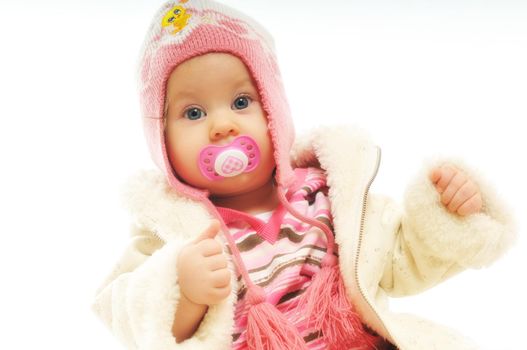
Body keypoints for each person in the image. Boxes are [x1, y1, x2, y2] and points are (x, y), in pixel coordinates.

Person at [91, 1, 517, 349]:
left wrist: (446, 215)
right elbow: (127, 313)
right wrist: (182, 290)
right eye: (194, 112)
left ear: (274, 112)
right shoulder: (170, 232)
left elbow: (398, 263)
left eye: (241, 102)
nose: (222, 126)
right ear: (160, 141)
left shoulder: (331, 195)